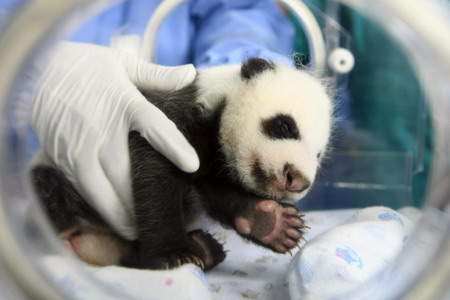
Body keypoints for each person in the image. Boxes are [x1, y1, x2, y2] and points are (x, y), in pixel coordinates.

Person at [30, 0, 296, 240]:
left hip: (183, 203)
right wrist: (34, 70)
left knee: (190, 163)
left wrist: (246, 90)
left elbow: (240, 14)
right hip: (18, 167)